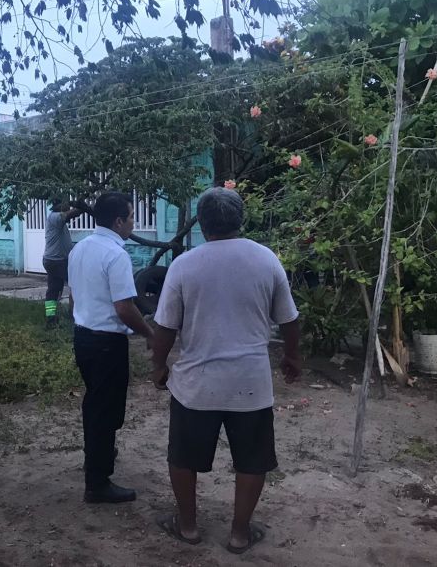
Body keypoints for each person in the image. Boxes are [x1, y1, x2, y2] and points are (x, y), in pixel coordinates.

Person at [151, 187, 301, 553]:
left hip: (196, 386)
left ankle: (188, 526)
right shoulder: (266, 259)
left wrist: (158, 365)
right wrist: (292, 357)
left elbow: (165, 327)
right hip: (250, 385)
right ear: (240, 220)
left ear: (201, 224)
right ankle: (239, 533)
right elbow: (289, 320)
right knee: (252, 460)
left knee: (183, 456)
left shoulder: (184, 265)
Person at [68, 191, 155, 504]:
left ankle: (99, 453)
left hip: (83, 337)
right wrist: (149, 333)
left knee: (96, 403)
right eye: (131, 217)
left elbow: (73, 297)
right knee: (104, 410)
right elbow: (124, 308)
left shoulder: (80, 248)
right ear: (118, 221)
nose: (133, 222)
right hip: (106, 343)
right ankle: (97, 482)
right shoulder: (116, 255)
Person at [43, 198, 83, 326]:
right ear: (60, 206)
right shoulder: (55, 217)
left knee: (53, 290)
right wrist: (84, 207)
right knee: (76, 285)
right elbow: (71, 214)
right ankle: (74, 316)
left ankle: (51, 319)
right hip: (58, 262)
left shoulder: (56, 220)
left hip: (52, 261)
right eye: (66, 205)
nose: (68, 207)